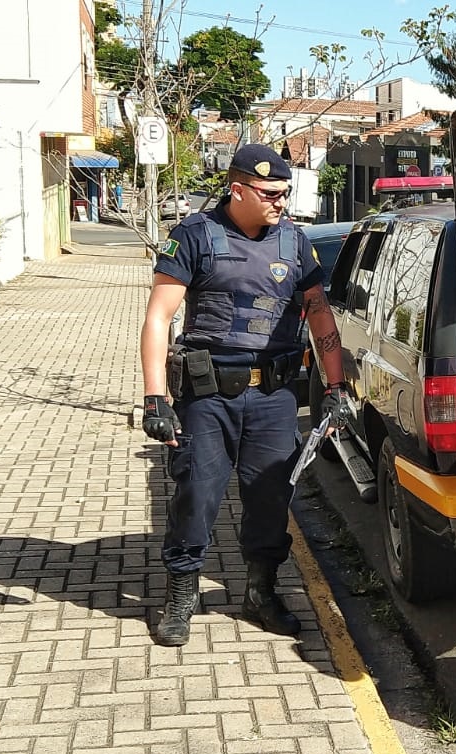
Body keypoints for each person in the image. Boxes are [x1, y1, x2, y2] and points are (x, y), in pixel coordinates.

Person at [139, 144, 352, 647]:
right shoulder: (195, 235)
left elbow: (319, 313)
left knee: (271, 498)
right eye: (272, 194)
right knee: (197, 493)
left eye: (285, 193)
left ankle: (261, 591)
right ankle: (181, 595)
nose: (282, 202)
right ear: (238, 189)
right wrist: (155, 399)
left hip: (275, 395)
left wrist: (337, 386)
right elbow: (158, 317)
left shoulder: (294, 243)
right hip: (208, 395)